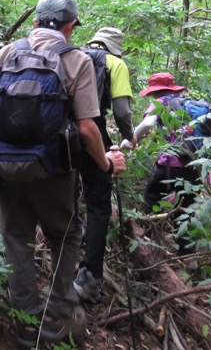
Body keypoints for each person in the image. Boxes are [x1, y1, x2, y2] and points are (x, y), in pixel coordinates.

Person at [0, 0, 127, 348]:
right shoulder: (77, 60)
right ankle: (58, 315)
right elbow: (88, 128)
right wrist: (105, 164)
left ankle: (26, 324)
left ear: (36, 22)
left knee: (16, 240)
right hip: (53, 171)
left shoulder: (8, 52)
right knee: (67, 235)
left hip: (5, 166)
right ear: (70, 26)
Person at [74, 27, 137, 302]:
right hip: (92, 132)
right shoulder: (115, 63)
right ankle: (87, 278)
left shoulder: (73, 54)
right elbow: (122, 111)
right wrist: (128, 135)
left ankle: (60, 266)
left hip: (57, 134)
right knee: (99, 204)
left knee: (65, 197)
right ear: (116, 47)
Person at [134, 72, 209, 257]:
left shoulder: (162, 102)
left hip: (170, 164)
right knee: (187, 210)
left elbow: (146, 125)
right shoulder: (187, 104)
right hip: (194, 166)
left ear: (156, 91)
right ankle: (187, 255)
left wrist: (131, 139)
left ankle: (148, 243)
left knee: (152, 198)